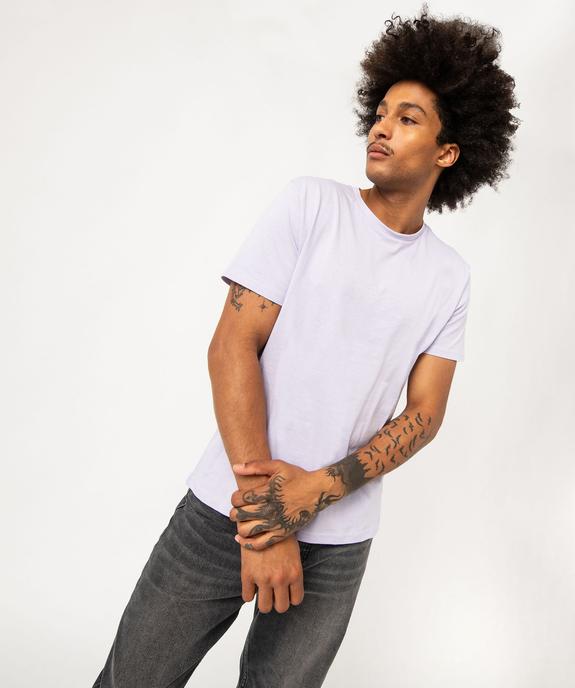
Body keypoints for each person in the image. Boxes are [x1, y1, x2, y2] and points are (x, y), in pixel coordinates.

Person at [92, 4, 520, 687]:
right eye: (380, 112)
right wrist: (266, 517)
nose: (381, 126)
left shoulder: (448, 277)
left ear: (448, 151)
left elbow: (424, 413)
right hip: (225, 508)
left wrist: (316, 493)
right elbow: (231, 346)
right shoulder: (310, 207)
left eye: (408, 118)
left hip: (337, 542)